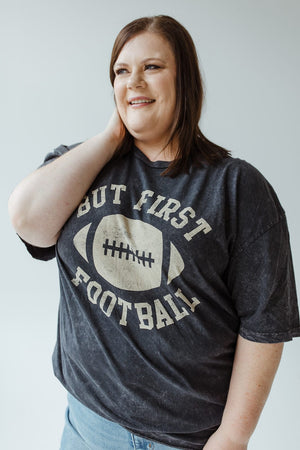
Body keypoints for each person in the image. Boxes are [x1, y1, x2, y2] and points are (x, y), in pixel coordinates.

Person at [8, 14, 300, 450]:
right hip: (88, 427)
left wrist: (233, 439)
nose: (134, 82)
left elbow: (265, 325)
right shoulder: (81, 166)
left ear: (186, 79)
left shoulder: (236, 188)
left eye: (152, 67)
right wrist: (111, 136)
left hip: (185, 441)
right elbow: (28, 221)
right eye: (121, 71)